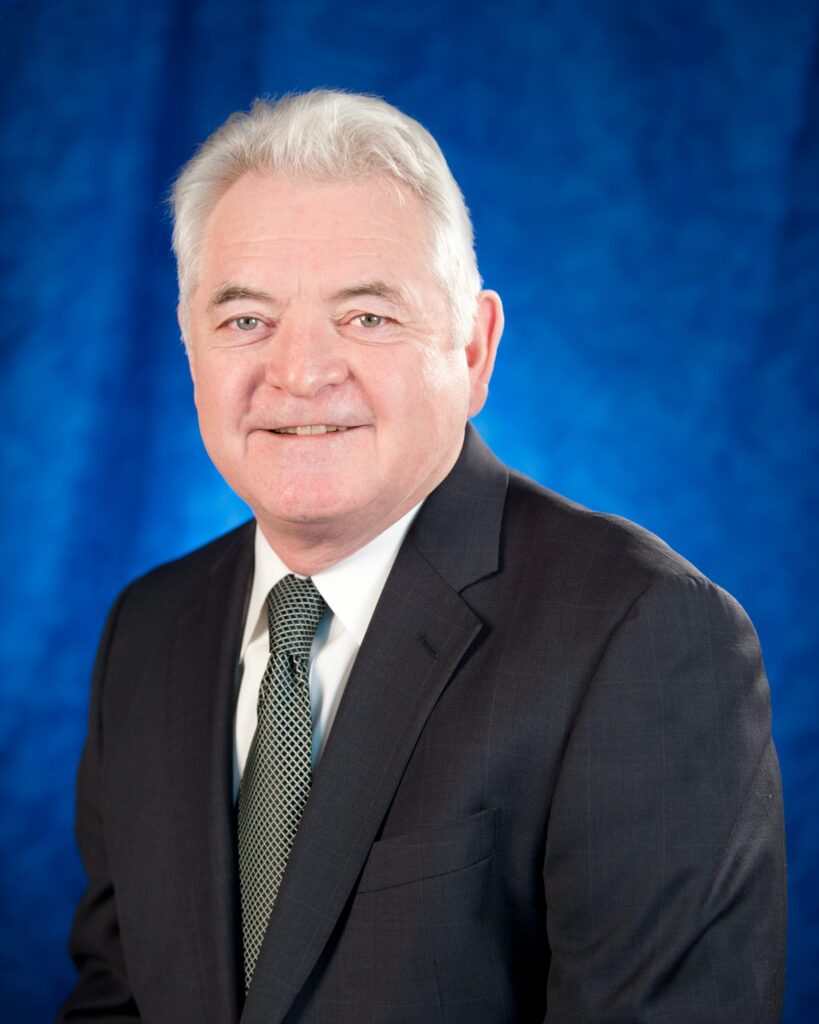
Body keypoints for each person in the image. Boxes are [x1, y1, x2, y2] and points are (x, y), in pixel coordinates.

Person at [58, 90, 786, 1024]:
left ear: (473, 349)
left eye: (367, 316)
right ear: (191, 350)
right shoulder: (147, 629)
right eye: (245, 321)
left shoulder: (643, 634)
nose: (300, 372)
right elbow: (115, 1000)